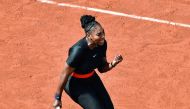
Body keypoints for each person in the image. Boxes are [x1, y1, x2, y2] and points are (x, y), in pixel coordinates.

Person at [53, 15, 123, 109]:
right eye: (99, 34)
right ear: (89, 35)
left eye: (103, 32)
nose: (103, 36)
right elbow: (64, 73)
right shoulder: (78, 50)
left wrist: (113, 63)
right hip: (75, 84)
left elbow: (102, 68)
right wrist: (57, 98)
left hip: (91, 78)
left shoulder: (102, 44)